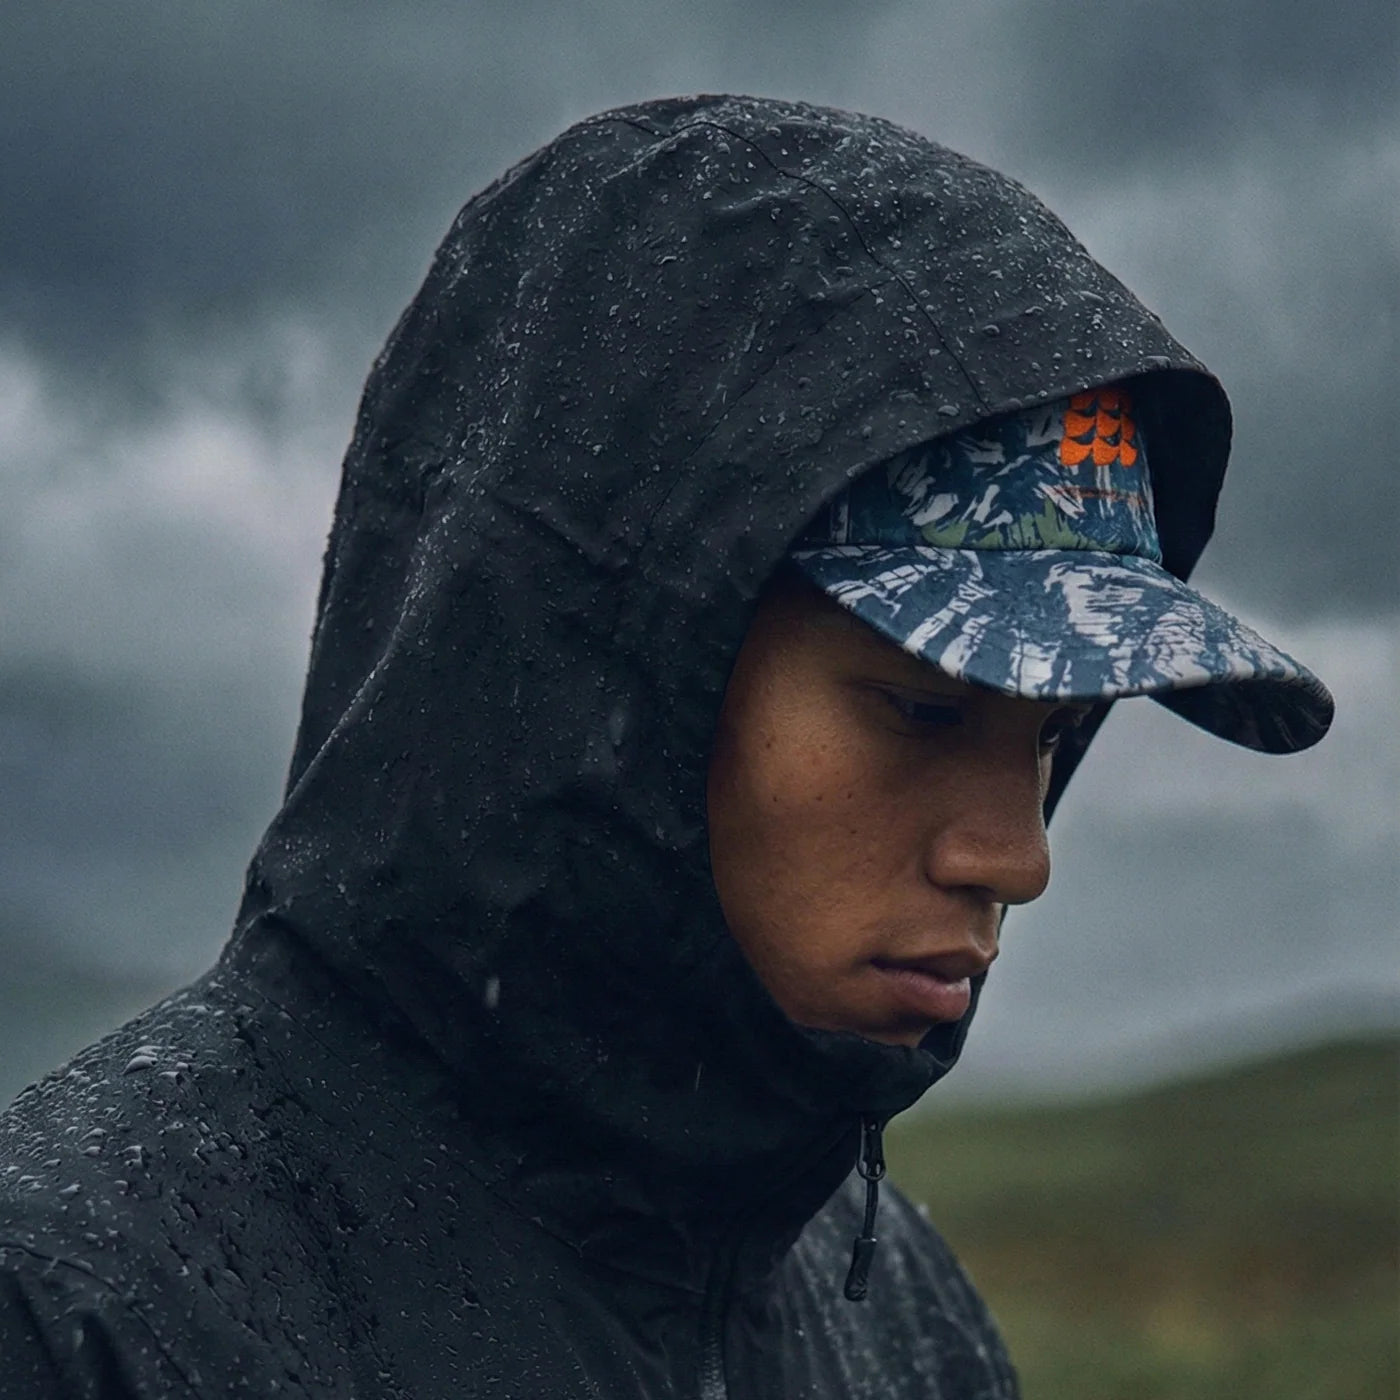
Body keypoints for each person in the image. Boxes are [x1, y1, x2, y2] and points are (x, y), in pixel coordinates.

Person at [0, 94, 1331, 1398]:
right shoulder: (77, 1313)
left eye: (1052, 735)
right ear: (604, 668)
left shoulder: (904, 1327)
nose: (1018, 856)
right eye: (924, 710)